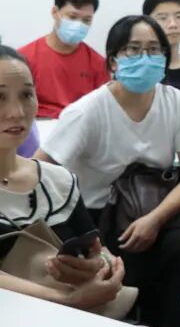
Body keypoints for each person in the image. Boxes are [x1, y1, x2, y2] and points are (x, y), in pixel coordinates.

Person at [35, 15, 180, 327]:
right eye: (134, 49)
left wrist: (154, 220)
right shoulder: (88, 111)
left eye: (153, 50)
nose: (145, 57)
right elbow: (39, 169)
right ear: (113, 60)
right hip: (100, 219)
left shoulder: (178, 104)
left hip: (154, 208)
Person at [0, 45, 127, 311]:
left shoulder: (58, 182)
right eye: (0, 97)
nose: (17, 112)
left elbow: (98, 250)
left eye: (26, 95)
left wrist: (100, 265)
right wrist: (66, 300)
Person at [18, 0, 108, 119]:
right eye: (72, 17)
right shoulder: (24, 59)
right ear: (55, 12)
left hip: (80, 125)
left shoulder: (98, 64)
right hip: (38, 124)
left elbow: (102, 109)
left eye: (86, 20)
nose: (79, 25)